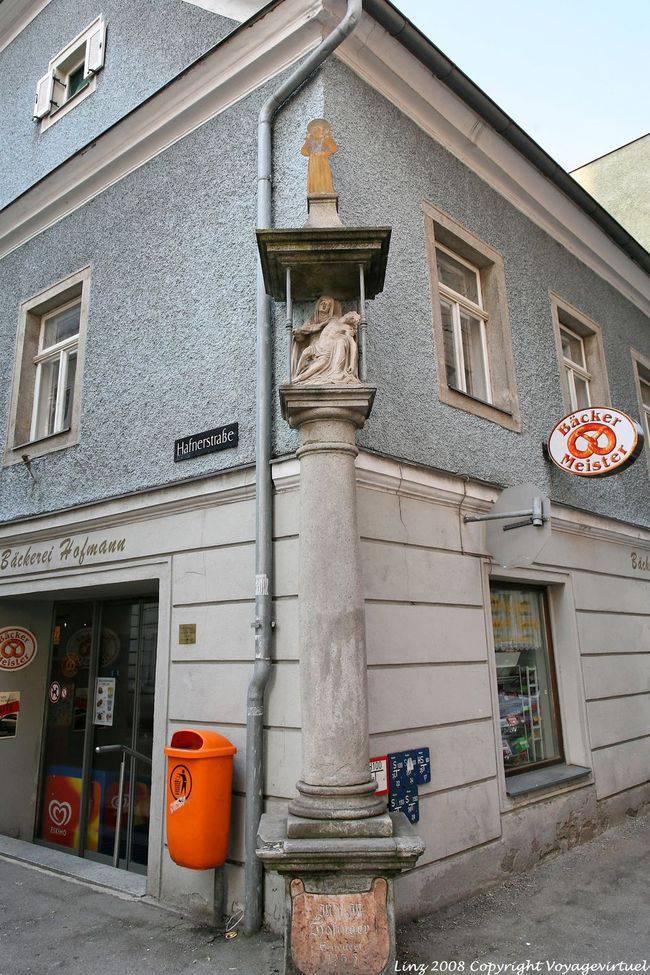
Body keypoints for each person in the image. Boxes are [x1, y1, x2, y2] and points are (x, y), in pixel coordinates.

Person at [292, 296, 360, 386]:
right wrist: (300, 332)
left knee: (315, 367)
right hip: (317, 346)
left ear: (330, 309)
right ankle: (296, 375)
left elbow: (352, 344)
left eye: (328, 305)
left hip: (327, 353)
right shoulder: (330, 320)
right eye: (322, 302)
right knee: (305, 352)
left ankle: (299, 379)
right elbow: (305, 332)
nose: (324, 305)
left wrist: (352, 363)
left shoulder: (344, 326)